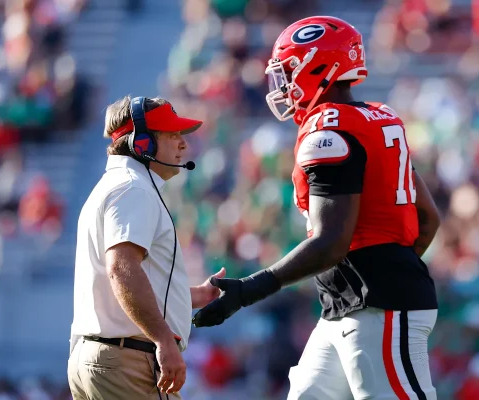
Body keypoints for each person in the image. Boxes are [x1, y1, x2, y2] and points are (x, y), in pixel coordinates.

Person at [192, 16, 441, 400]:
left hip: (378, 305)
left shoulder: (329, 130)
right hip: (348, 303)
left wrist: (250, 289)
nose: (283, 85)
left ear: (317, 66)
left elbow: (331, 242)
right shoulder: (378, 118)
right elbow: (428, 218)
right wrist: (393, 264)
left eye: (288, 72)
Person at [68, 95, 225, 400]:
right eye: (172, 135)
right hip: (128, 361)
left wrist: (194, 295)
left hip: (101, 358)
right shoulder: (133, 187)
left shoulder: (116, 185)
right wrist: (164, 340)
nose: (183, 144)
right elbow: (121, 269)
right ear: (142, 143)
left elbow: (121, 280)